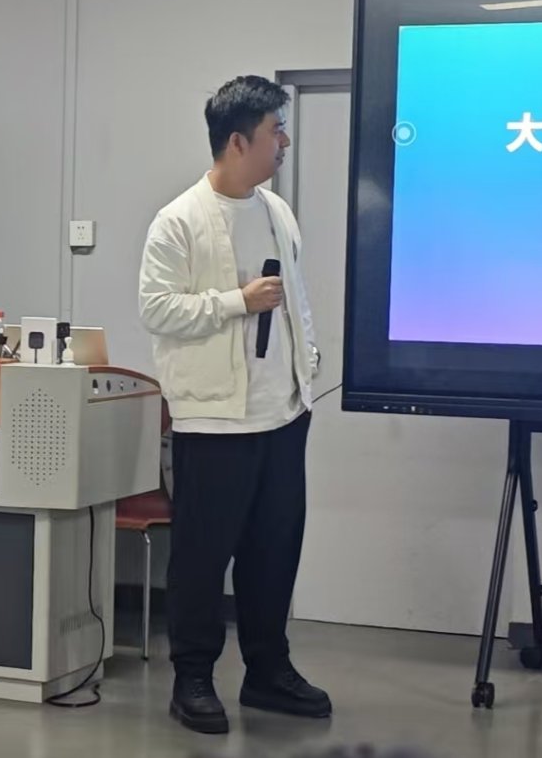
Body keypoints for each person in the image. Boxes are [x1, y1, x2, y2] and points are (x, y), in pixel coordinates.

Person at [138, 75, 329, 735]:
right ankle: (192, 676)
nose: (285, 141)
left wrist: (308, 364)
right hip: (215, 420)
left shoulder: (277, 210)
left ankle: (267, 670)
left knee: (274, 550)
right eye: (277, 130)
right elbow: (157, 310)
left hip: (283, 413)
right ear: (239, 141)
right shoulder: (179, 220)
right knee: (202, 555)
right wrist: (235, 303)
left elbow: (295, 296)